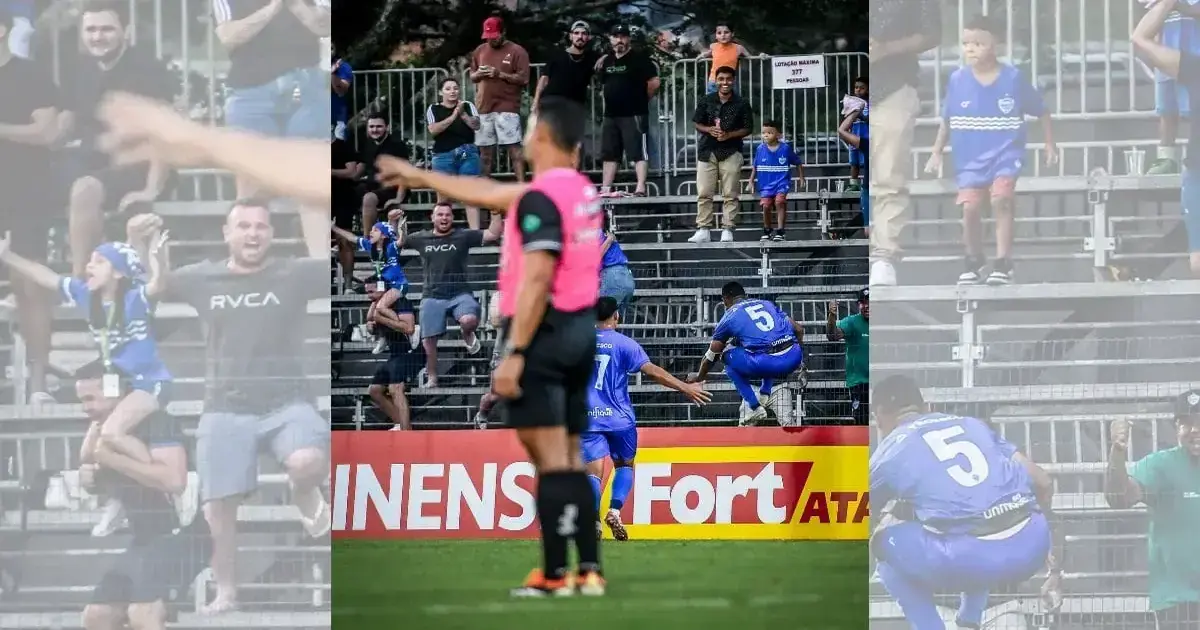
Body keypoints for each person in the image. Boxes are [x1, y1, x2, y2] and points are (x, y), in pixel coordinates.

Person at [375, 96, 608, 597]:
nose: (524, 137)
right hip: (578, 332)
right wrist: (421, 176)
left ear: (542, 137)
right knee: (566, 454)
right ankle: (588, 569)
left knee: (548, 457)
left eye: (530, 128)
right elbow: (489, 191)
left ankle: (554, 575)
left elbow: (538, 276)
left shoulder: (542, 199)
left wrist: (516, 353)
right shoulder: (579, 192)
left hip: (542, 333)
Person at [125, 200, 330, 615]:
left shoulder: (293, 273)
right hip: (225, 407)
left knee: (308, 462)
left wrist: (316, 204)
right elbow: (155, 286)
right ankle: (227, 592)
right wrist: (138, 242)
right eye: (244, 226)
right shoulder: (202, 276)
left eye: (260, 227)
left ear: (271, 234)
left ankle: (304, 492)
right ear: (227, 233)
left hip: (287, 402)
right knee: (217, 505)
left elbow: (337, 266)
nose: (252, 234)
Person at [870, 374, 1062, 630]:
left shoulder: (888, 451)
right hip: (1031, 547)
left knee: (882, 543)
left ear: (879, 418)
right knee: (976, 517)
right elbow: (1043, 482)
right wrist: (1054, 567)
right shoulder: (974, 425)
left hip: (970, 557)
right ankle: (969, 622)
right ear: (927, 407)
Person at [75, 361, 210, 630]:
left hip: (185, 537)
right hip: (145, 540)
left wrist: (111, 459)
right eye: (82, 400)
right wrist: (93, 480)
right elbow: (111, 476)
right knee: (97, 616)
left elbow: (173, 481)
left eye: (90, 399)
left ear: (114, 391)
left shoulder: (158, 423)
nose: (85, 408)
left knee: (143, 614)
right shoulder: (103, 431)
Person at [924, 15, 1056, 286]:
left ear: (996, 44)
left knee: (1001, 200)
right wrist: (936, 151)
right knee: (970, 208)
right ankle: (974, 261)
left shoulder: (1013, 78)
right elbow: (947, 119)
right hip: (970, 159)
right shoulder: (957, 79)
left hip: (1005, 155)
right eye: (966, 43)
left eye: (978, 43)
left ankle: (1004, 262)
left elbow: (1042, 111)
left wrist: (1049, 143)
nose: (971, 49)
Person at [60, 0, 175, 278]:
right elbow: (65, 124)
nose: (98, 36)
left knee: (84, 189)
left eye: (107, 29)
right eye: (91, 30)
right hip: (93, 162)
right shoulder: (81, 69)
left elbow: (164, 135)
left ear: (126, 30)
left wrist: (151, 188)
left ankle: (80, 281)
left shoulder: (148, 70)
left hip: (139, 165)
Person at [585, 297, 711, 540]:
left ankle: (593, 522)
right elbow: (653, 371)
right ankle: (614, 510)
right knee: (624, 465)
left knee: (592, 472)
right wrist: (685, 387)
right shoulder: (625, 344)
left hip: (589, 417)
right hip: (620, 419)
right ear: (617, 316)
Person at [211, 0, 329, 257]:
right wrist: (274, 6)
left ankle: (319, 266)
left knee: (311, 185)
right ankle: (247, 267)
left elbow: (324, 26)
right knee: (251, 187)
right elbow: (229, 37)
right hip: (249, 92)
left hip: (306, 87)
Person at [0, 4, 61, 405]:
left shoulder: (31, 75)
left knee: (30, 287)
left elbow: (47, 132)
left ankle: (39, 383)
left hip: (25, 193)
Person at [1104, 390, 1200, 630]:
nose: (1194, 429)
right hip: (1178, 600)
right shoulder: (1161, 465)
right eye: (1186, 422)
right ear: (1176, 428)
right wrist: (1117, 452)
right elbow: (1119, 498)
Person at [868, 0, 942, 286]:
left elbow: (932, 32)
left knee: (889, 176)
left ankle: (884, 255)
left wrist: (887, 48)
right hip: (855, 91)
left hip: (894, 86)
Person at [393, 202, 498, 388]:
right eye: (440, 214)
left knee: (469, 321)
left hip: (460, 294)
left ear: (452, 218)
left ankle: (467, 334)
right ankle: (433, 378)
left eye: (447, 215)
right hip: (432, 296)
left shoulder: (463, 236)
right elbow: (396, 242)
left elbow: (493, 234)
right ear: (432, 218)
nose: (444, 218)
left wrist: (496, 211)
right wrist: (393, 222)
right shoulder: (421, 237)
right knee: (428, 340)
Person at [1133, 0, 1200, 276]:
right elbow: (1140, 39)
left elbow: (1140, 38)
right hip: (1198, 174)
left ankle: (1138, 269)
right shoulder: (1195, 68)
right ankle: (1139, 268)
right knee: (1197, 264)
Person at [689, 281, 804, 426]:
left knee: (725, 354)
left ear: (725, 299)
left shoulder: (730, 316)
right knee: (790, 428)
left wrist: (699, 376)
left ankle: (755, 406)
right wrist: (800, 361)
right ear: (746, 295)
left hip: (767, 366)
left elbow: (712, 355)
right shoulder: (767, 304)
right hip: (792, 357)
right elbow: (799, 329)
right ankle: (764, 392)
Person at [688, 65, 752, 244]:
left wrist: (729, 135)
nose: (725, 82)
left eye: (728, 79)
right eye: (721, 79)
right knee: (704, 192)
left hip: (731, 151)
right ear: (716, 81)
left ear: (733, 81)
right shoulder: (706, 100)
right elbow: (697, 122)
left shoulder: (742, 103)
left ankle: (728, 228)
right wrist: (709, 129)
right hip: (707, 150)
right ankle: (703, 229)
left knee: (730, 193)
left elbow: (748, 128)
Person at [331, 220, 413, 354]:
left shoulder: (391, 247)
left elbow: (401, 241)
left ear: (383, 236)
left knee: (381, 308)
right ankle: (384, 337)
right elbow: (351, 237)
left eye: (375, 230)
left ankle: (405, 330)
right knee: (370, 318)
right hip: (385, 286)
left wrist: (402, 231)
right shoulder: (370, 245)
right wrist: (334, 227)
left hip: (398, 285)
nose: (371, 232)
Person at [598, 24, 659, 197]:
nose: (619, 40)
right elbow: (603, 85)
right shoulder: (607, 61)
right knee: (610, 153)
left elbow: (654, 83)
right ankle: (605, 188)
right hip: (611, 114)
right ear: (610, 39)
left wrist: (641, 100)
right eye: (616, 36)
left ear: (628, 39)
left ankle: (640, 188)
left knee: (638, 151)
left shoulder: (639, 59)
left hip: (634, 113)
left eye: (623, 36)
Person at [469, 16, 530, 181]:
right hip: (484, 107)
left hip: (507, 107)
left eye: (494, 36)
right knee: (485, 153)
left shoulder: (517, 51)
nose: (491, 40)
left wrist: (499, 74)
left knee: (514, 150)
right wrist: (478, 74)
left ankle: (522, 186)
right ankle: (485, 187)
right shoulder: (480, 50)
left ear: (503, 32)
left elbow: (524, 79)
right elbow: (472, 75)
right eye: (488, 37)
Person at [1147, 7, 1200, 175]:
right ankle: (1166, 157)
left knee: (1193, 107)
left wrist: (1174, 4)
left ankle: (1194, 157)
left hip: (1194, 50)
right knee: (1166, 108)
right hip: (1166, 47)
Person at [426, 78, 484, 228]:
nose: (452, 91)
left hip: (467, 152)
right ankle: (441, 231)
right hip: (443, 155)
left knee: (470, 195)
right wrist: (453, 116)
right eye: (448, 89)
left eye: (455, 88)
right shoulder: (434, 108)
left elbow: (476, 125)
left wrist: (462, 114)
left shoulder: (468, 105)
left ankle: (475, 233)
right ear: (441, 92)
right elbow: (433, 130)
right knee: (443, 199)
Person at [364, 282, 422, 431]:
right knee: (374, 390)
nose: (369, 296)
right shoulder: (377, 306)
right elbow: (371, 321)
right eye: (367, 292)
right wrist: (372, 327)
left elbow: (408, 328)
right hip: (395, 355)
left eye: (372, 292)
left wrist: (381, 319)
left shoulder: (401, 303)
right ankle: (400, 424)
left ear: (382, 289)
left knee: (395, 388)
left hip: (412, 354)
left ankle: (406, 432)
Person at [749, 119, 803, 242]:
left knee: (779, 202)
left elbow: (798, 162)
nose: (766, 135)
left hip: (781, 183)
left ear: (779, 135)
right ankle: (767, 230)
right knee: (766, 205)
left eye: (769, 132)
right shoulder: (760, 149)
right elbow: (755, 166)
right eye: (763, 133)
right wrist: (751, 180)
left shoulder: (785, 148)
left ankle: (780, 231)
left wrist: (801, 177)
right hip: (766, 185)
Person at [356, 114, 410, 231]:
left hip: (392, 188)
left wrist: (398, 198)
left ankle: (368, 239)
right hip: (371, 186)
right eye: (371, 127)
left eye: (379, 126)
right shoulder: (367, 144)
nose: (375, 130)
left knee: (369, 198)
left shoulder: (397, 145)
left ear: (387, 127)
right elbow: (360, 169)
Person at [533, 20, 599, 110]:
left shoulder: (591, 58)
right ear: (570, 36)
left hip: (574, 107)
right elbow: (544, 80)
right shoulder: (557, 54)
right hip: (552, 104)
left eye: (584, 33)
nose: (580, 36)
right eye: (576, 33)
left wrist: (604, 57)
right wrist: (535, 102)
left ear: (588, 37)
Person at [825, 289, 868, 424]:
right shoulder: (852, 322)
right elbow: (832, 335)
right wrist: (832, 315)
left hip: (883, 382)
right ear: (858, 305)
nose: (867, 306)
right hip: (860, 383)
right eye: (863, 303)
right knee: (862, 423)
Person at [331, 133, 361, 292]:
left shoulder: (343, 146)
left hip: (343, 197)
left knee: (344, 241)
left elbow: (351, 172)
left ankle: (348, 285)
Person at [696, 23, 763, 94]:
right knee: (712, 101)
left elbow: (750, 57)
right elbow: (707, 53)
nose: (723, 35)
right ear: (716, 35)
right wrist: (700, 56)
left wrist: (761, 55)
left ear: (732, 34)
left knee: (731, 101)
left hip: (730, 82)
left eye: (726, 32)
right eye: (719, 33)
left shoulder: (738, 48)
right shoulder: (714, 46)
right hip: (714, 81)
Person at [838, 106, 871, 235]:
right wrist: (856, 110)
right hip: (871, 190)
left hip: (887, 191)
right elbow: (841, 131)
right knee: (870, 231)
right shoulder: (869, 143)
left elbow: (842, 130)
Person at [599, 218, 635, 317]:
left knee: (604, 316)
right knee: (615, 317)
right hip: (626, 275)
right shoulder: (604, 233)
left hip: (613, 276)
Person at [846, 76, 869, 191]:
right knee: (854, 162)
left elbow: (870, 120)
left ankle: (867, 183)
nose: (858, 90)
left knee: (866, 161)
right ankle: (854, 184)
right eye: (856, 88)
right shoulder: (851, 103)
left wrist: (861, 115)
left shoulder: (869, 103)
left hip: (866, 136)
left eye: (862, 88)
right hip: (854, 135)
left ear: (868, 90)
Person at [331, 57, 353, 140]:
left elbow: (341, 91)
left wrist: (333, 74)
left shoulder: (343, 66)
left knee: (338, 143)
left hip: (338, 117)